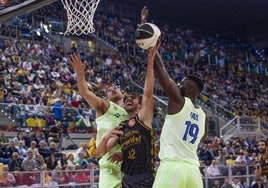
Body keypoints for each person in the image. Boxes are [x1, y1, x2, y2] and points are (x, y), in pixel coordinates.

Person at [151, 16, 208, 188]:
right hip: (193, 170)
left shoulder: (179, 100)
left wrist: (151, 40)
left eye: (181, 84)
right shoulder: (203, 115)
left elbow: (160, 70)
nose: (177, 84)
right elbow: (203, 138)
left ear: (189, 90)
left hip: (172, 167)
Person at [96, 43, 158, 187]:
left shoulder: (143, 119)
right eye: (127, 98)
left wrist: (150, 63)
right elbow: (99, 154)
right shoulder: (121, 128)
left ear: (140, 105)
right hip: (127, 180)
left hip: (145, 177)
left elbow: (148, 93)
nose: (129, 99)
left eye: (134, 98)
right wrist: (106, 138)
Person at [70, 53, 128, 188]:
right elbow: (86, 93)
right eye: (109, 90)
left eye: (115, 88)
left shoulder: (129, 112)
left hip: (127, 163)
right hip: (109, 162)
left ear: (122, 93)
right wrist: (80, 73)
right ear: (106, 96)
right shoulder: (105, 106)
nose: (112, 89)